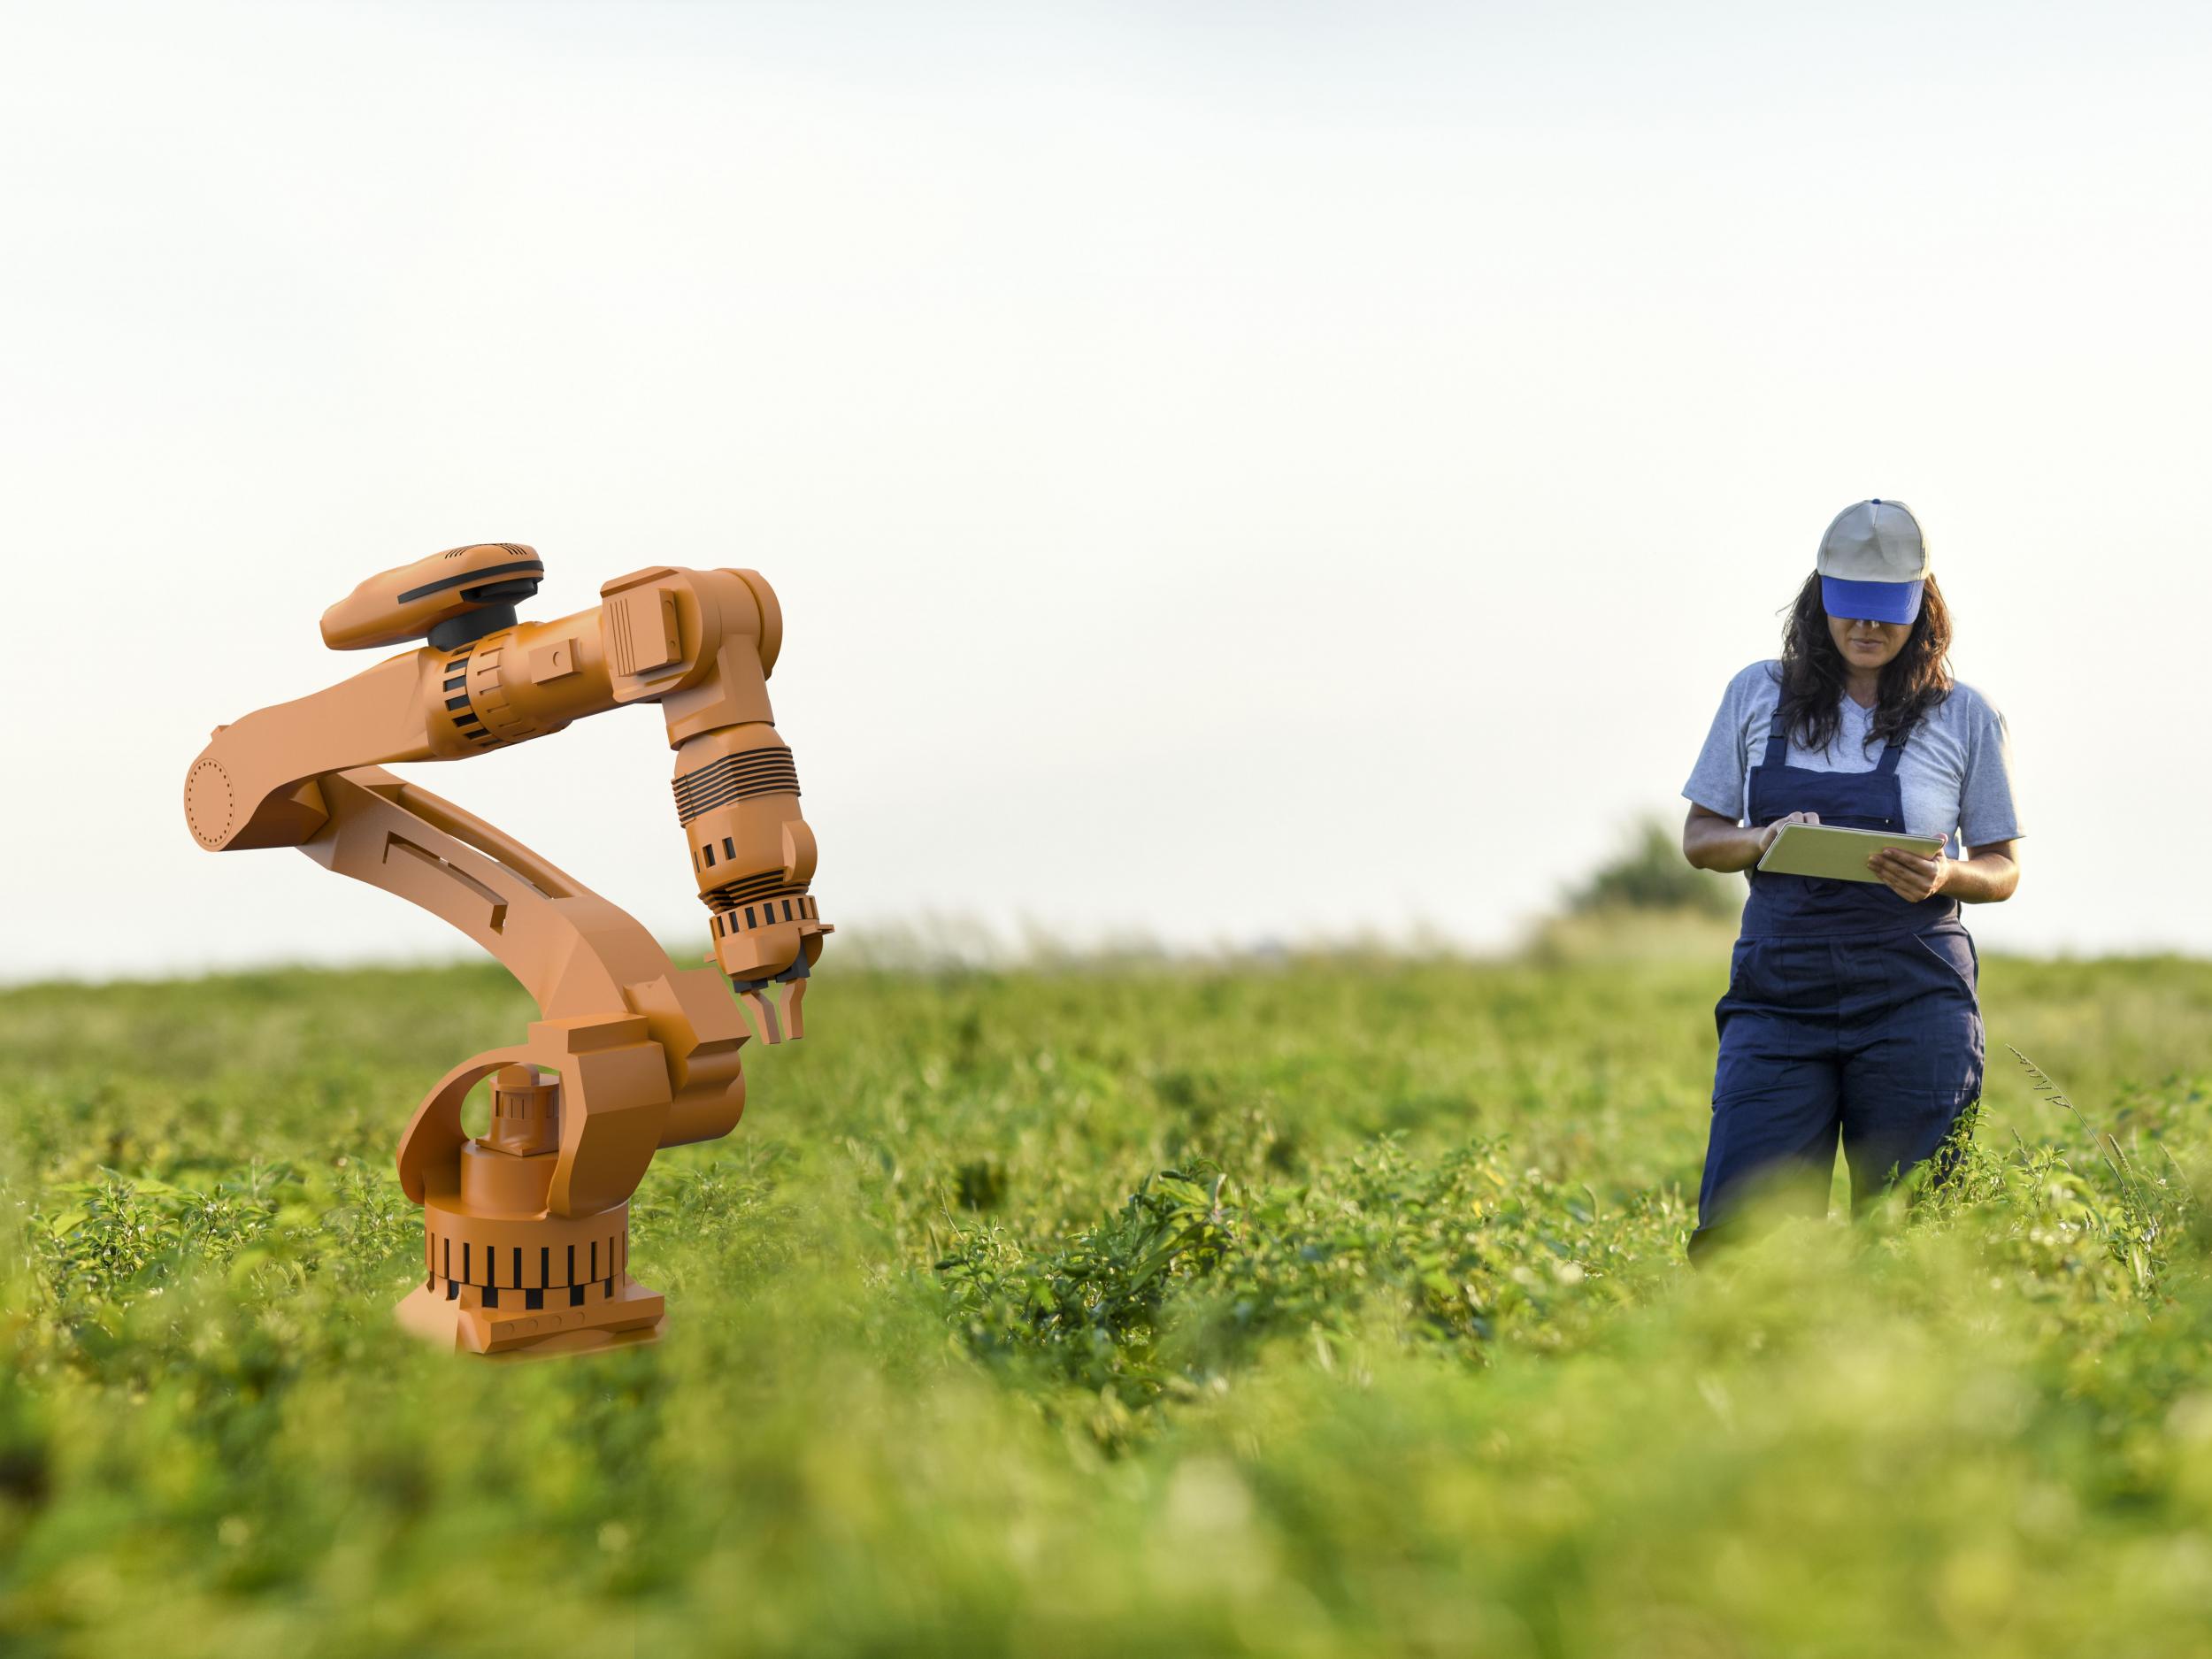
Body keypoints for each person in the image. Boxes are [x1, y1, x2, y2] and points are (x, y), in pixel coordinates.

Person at [1678, 500, 2022, 1259]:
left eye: (1887, 614)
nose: (1867, 629)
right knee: (1744, 1236)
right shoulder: (1754, 693)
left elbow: (2001, 868)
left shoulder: (1965, 715)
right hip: (1778, 998)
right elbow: (1702, 838)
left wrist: (1944, 874)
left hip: (1914, 997)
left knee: (1909, 1239)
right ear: (1820, 599)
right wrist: (1762, 839)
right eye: (1851, 611)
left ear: (1922, 606)